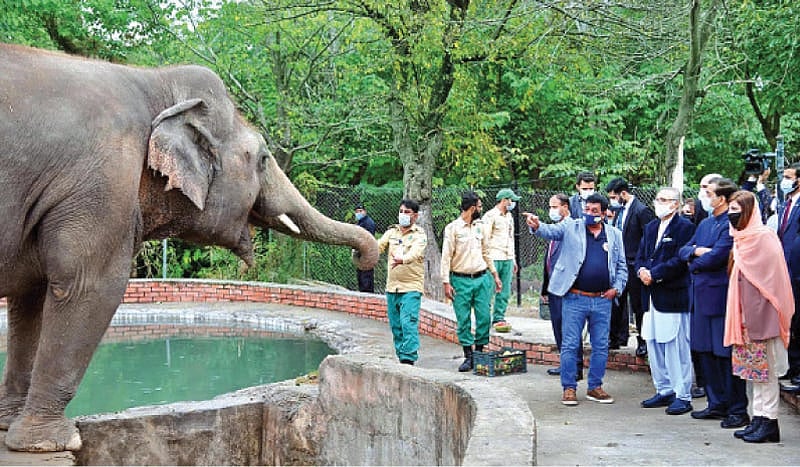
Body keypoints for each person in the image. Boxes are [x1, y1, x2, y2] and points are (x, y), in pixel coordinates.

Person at [525, 193, 627, 406]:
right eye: (586, 209)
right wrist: (536, 226)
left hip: (603, 300)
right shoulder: (572, 226)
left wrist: (616, 289)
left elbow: (621, 267)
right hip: (575, 298)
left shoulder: (615, 235)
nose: (589, 213)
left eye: (594, 211)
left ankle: (595, 387)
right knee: (570, 344)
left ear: (604, 213)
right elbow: (550, 231)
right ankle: (569, 388)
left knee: (601, 346)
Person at [678, 177, 750, 429]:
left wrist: (694, 258)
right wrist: (696, 252)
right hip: (699, 295)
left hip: (720, 297)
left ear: (721, 198)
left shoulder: (731, 224)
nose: (704, 197)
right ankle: (716, 403)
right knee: (705, 352)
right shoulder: (705, 223)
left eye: (709, 193)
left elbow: (718, 256)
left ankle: (736, 408)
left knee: (724, 354)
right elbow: (683, 250)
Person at [724, 190, 795, 442]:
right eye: (730, 210)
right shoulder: (740, 238)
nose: (732, 215)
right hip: (744, 317)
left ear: (749, 212)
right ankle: (758, 418)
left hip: (764, 316)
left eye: (736, 210)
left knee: (768, 372)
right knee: (753, 373)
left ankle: (770, 422)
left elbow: (774, 281)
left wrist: (760, 313)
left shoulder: (764, 237)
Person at [635, 187, 696, 415]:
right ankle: (664, 389)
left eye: (664, 199)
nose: (659, 203)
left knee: (675, 346)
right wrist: (642, 270)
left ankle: (682, 394)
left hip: (672, 294)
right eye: (658, 199)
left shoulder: (685, 228)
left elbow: (680, 260)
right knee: (653, 343)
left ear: (675, 204)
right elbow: (641, 255)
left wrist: (655, 274)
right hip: (650, 295)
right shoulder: (651, 227)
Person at [441, 191, 503, 372]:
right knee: (463, 319)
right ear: (472, 208)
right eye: (479, 206)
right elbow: (446, 257)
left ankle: (479, 352)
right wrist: (446, 282)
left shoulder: (481, 227)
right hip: (460, 280)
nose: (481, 209)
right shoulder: (452, 228)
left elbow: (486, 252)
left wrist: (495, 275)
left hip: (481, 278)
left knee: (484, 317)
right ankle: (468, 355)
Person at [606, 177, 655, 357]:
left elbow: (648, 239)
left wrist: (643, 263)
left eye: (614, 197)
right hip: (620, 264)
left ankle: (643, 341)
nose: (612, 201)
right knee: (616, 303)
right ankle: (615, 338)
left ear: (623, 193)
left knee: (638, 305)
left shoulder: (641, 211)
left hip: (634, 265)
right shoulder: (618, 211)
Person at [377, 199, 428, 365]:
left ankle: (409, 359)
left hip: (411, 287)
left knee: (408, 323)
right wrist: (363, 249)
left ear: (415, 216)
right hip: (392, 287)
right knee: (396, 326)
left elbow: (415, 253)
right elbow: (379, 246)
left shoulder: (420, 235)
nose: (403, 215)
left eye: (407, 212)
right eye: (401, 211)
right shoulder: (392, 233)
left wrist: (402, 259)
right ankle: (401, 357)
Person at [540, 193, 584, 379]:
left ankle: (576, 367)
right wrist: (545, 289)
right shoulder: (557, 228)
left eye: (554, 206)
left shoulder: (572, 227)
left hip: (568, 288)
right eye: (550, 207)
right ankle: (565, 363)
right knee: (558, 326)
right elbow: (549, 261)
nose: (551, 211)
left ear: (565, 207)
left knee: (570, 328)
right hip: (554, 288)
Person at [775, 162, 800, 389]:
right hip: (785, 272)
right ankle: (792, 366)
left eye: (789, 177)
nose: (785, 181)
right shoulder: (786, 204)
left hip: (797, 270)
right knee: (790, 320)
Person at [483, 188, 520, 332]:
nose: (512, 203)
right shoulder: (490, 216)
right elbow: (485, 239)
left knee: (504, 290)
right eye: (511, 200)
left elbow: (511, 238)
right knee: (488, 290)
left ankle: (499, 317)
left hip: (507, 257)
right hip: (494, 257)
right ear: (504, 200)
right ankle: (484, 319)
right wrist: (486, 259)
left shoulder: (509, 216)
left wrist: (514, 259)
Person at [354, 204, 376, 293]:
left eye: (360, 211)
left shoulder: (368, 223)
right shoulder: (361, 222)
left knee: (366, 277)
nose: (358, 213)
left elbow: (368, 239)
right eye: (357, 212)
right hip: (360, 253)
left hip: (367, 254)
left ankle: (367, 295)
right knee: (361, 276)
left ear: (365, 211)